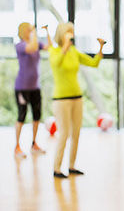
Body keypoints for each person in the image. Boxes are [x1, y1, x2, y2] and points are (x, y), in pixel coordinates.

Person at [49, 22, 105, 178]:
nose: (71, 34)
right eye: (68, 31)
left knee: (76, 134)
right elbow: (56, 63)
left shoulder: (74, 51)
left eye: (72, 31)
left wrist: (101, 48)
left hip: (77, 98)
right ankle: (57, 168)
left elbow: (93, 63)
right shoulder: (54, 51)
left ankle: (72, 166)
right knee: (64, 134)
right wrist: (65, 47)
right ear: (61, 33)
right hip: (61, 100)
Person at [14, 23, 51, 158]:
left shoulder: (36, 43)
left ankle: (34, 143)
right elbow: (32, 48)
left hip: (35, 87)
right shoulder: (20, 45)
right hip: (22, 88)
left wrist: (47, 32)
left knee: (37, 116)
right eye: (29, 30)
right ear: (24, 31)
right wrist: (34, 34)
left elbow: (49, 47)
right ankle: (17, 146)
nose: (31, 31)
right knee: (21, 116)